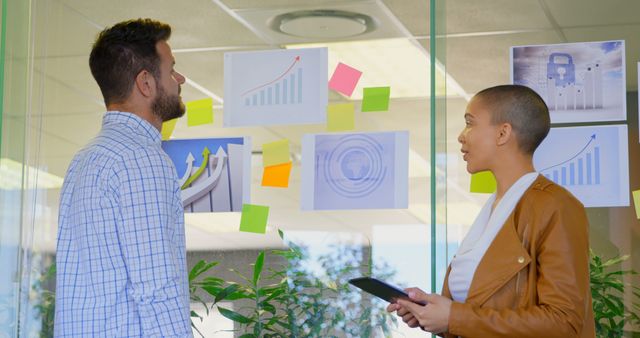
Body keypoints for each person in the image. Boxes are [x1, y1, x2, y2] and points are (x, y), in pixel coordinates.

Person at [387, 85, 595, 337]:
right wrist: (431, 313)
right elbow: (478, 316)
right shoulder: (492, 210)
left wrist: (454, 317)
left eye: (470, 123)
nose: (461, 136)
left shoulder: (555, 205)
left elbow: (564, 322)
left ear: (503, 133)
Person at [55, 19, 192, 337]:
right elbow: (157, 288)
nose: (179, 79)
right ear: (145, 83)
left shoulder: (86, 159)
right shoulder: (142, 159)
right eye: (171, 69)